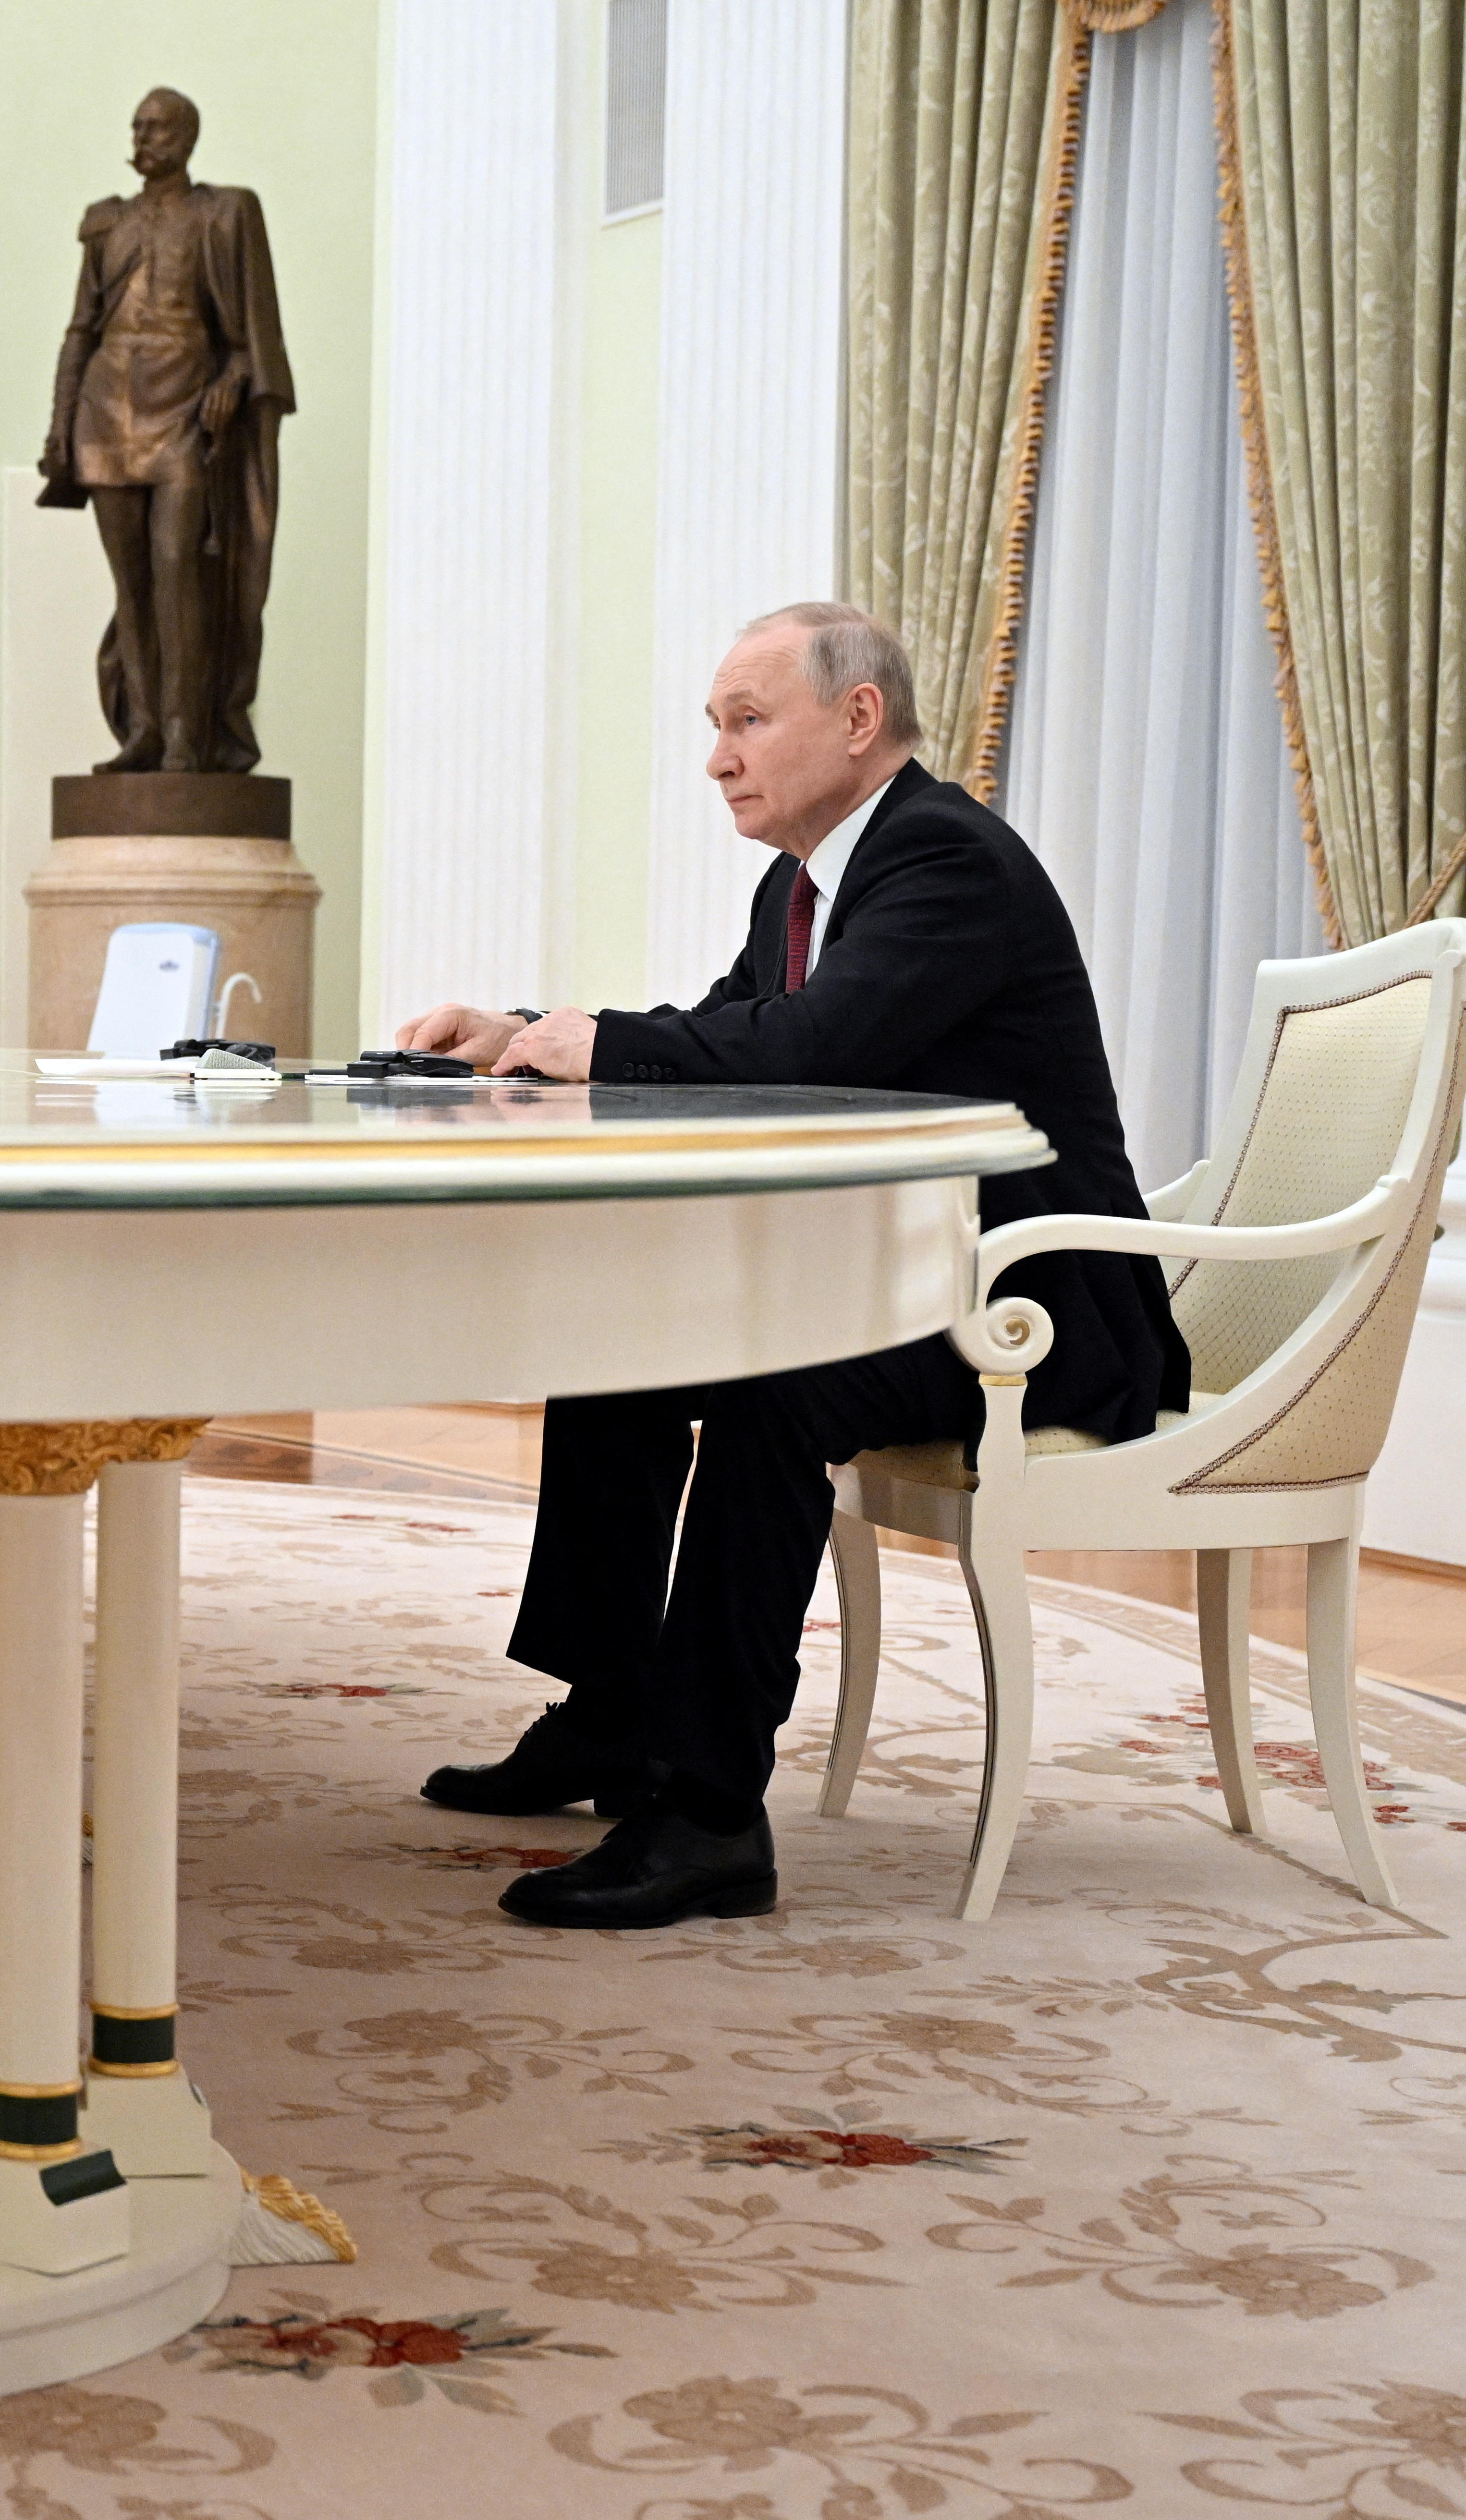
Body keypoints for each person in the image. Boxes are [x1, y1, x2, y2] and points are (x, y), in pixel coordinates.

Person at [391, 601, 1186, 1929]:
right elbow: (729, 1032)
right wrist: (522, 1031)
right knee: (621, 1342)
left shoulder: (945, 858)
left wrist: (599, 1042)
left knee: (776, 1386)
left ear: (858, 717)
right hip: (913, 1278)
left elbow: (814, 1046)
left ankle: (709, 1814)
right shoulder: (807, 880)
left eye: (747, 721)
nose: (718, 757)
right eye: (717, 727)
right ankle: (610, 1713)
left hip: (1031, 1303)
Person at [35, 85, 297, 774]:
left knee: (179, 568)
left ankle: (187, 734)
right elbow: (81, 331)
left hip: (182, 412)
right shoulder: (106, 224)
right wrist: (60, 427)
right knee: (132, 584)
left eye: (156, 128)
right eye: (137, 127)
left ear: (187, 137)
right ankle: (145, 731)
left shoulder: (224, 213)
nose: (142, 139)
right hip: (105, 414)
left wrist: (233, 378)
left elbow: (251, 338)